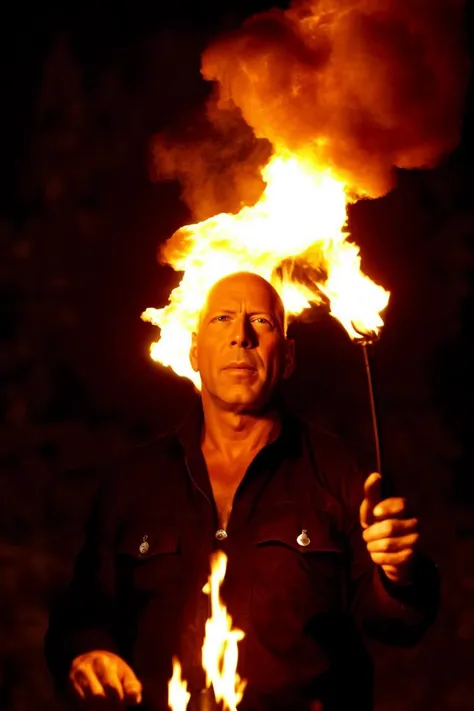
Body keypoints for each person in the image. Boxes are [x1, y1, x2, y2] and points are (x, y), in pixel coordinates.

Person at [45, 271, 439, 711]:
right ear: (193, 351)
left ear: (287, 357)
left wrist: (400, 575)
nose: (241, 337)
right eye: (222, 320)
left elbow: (397, 626)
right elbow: (82, 612)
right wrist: (87, 653)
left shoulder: (340, 474)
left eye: (262, 322)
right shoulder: (134, 482)